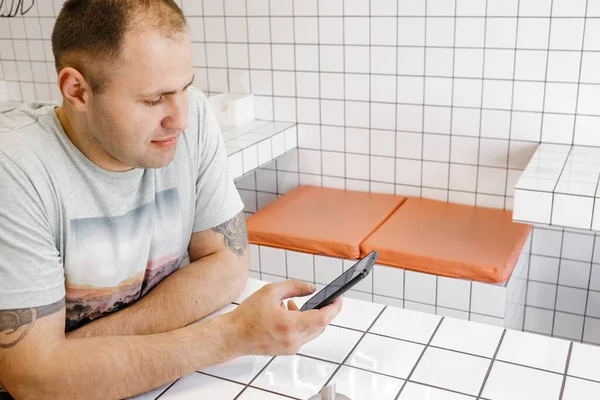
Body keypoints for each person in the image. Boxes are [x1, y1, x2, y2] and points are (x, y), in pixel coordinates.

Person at [0, 1, 342, 398]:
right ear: (77, 90)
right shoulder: (15, 168)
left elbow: (228, 266)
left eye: (184, 88)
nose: (179, 118)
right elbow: (33, 383)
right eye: (152, 100)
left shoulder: (192, 115)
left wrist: (68, 357)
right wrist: (230, 336)